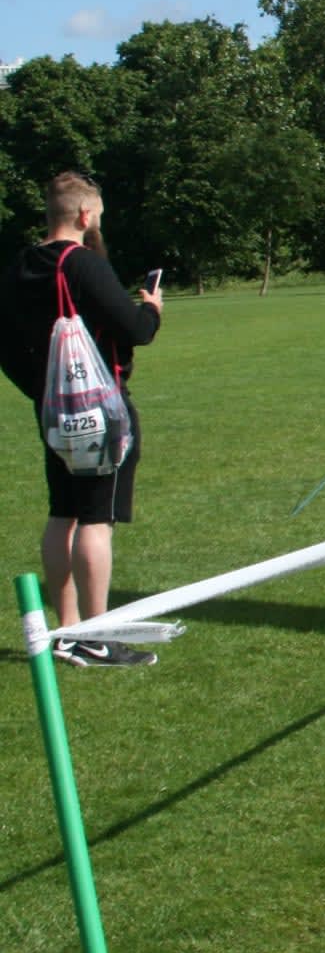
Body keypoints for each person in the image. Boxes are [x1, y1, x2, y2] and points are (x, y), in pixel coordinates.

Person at [0, 172, 165, 667]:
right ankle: (97, 635)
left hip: (53, 410)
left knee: (63, 511)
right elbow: (133, 328)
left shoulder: (18, 268)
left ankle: (66, 630)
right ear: (85, 215)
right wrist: (152, 308)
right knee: (97, 517)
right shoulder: (83, 265)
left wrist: (42, 390)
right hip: (100, 408)